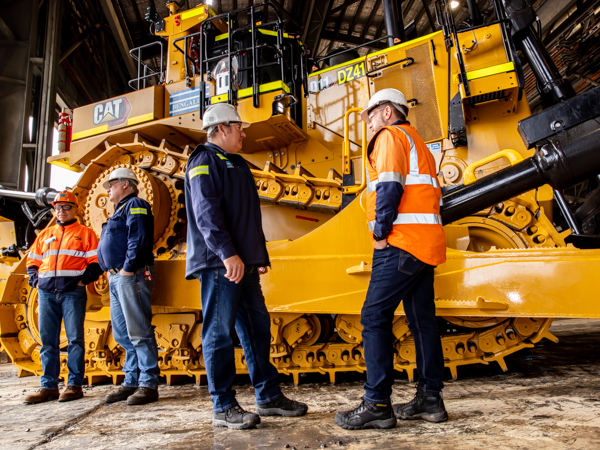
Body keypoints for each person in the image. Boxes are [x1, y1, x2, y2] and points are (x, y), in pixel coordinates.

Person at [185, 103, 308, 429]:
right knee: (219, 333)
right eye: (238, 127)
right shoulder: (203, 160)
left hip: (243, 262)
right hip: (220, 263)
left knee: (257, 329)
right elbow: (206, 214)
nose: (243, 132)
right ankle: (223, 405)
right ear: (221, 128)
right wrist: (228, 254)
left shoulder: (236, 163)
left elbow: (247, 216)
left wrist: (256, 257)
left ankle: (268, 396)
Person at [335, 88, 448, 430]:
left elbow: (388, 187)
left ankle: (377, 404)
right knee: (422, 321)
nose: (368, 122)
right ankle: (431, 400)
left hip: (400, 244)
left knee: (373, 316)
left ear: (386, 112)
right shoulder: (417, 142)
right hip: (425, 245)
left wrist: (381, 233)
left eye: (370, 115)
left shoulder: (389, 137)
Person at [24, 191, 103, 404]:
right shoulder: (45, 234)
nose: (62, 211)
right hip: (47, 293)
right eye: (58, 208)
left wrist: (82, 281)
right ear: (54, 211)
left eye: (66, 207)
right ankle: (48, 386)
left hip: (72, 293)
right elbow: (32, 261)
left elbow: (96, 262)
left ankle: (74, 385)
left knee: (75, 339)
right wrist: (36, 281)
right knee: (48, 341)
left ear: (75, 210)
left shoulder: (85, 233)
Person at [97, 167, 160, 405]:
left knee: (139, 331)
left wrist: (128, 268)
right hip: (117, 277)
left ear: (125, 184)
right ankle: (132, 381)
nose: (108, 189)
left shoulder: (136, 204)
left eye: (111, 184)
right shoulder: (119, 210)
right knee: (124, 333)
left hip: (129, 275)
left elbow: (139, 238)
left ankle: (148, 384)